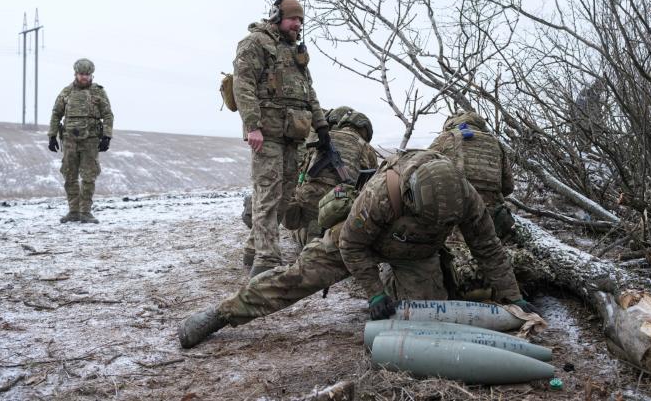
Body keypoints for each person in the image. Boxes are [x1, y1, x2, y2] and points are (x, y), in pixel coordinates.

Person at [178, 149, 531, 349]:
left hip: (416, 255)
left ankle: (396, 288)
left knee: (428, 312)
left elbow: (488, 247)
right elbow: (352, 244)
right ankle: (223, 313)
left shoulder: (465, 198)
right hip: (359, 242)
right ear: (408, 196)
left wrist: (513, 297)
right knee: (295, 279)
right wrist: (373, 293)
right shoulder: (381, 194)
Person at [234, 0, 330, 278]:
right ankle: (266, 260)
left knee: (286, 196)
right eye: (293, 19)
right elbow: (243, 85)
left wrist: (321, 126)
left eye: (301, 20)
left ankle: (253, 248)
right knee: (268, 194)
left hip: (294, 135)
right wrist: (252, 126)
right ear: (277, 16)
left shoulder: (296, 51)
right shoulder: (254, 43)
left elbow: (308, 91)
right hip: (268, 133)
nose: (297, 25)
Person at [283, 106, 378, 247]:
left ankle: (310, 235)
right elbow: (370, 185)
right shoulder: (367, 149)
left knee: (301, 228)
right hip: (340, 205)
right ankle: (323, 237)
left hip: (309, 201)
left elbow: (302, 172)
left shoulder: (321, 137)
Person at [428, 110, 515, 239]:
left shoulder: (444, 139)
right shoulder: (495, 143)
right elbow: (508, 186)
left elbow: (423, 178)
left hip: (452, 215)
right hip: (488, 218)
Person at [48, 58, 113, 224]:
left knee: (89, 176)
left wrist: (107, 136)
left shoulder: (98, 92)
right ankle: (73, 211)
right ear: (76, 74)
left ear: (92, 75)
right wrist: (52, 136)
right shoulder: (66, 92)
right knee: (69, 176)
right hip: (69, 141)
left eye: (87, 74)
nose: (84, 77)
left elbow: (107, 115)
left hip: (90, 141)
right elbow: (56, 114)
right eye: (81, 74)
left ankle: (85, 212)